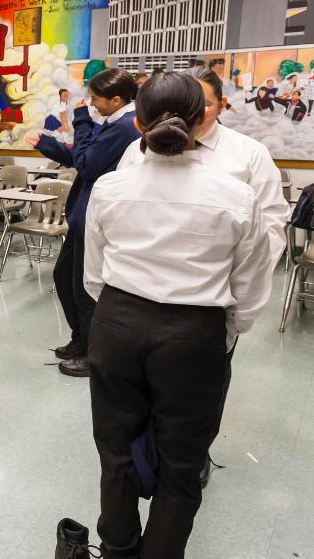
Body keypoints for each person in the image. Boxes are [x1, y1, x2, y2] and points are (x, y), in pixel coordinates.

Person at [81, 71, 272, 558]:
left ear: (138, 120)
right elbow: (249, 286)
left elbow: (94, 273)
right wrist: (224, 334)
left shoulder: (110, 186)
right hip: (194, 332)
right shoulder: (234, 194)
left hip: (118, 323)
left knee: (115, 450)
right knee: (182, 462)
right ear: (200, 118)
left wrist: (119, 314)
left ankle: (118, 547)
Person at [119, 70, 287, 488]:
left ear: (215, 107)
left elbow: (270, 231)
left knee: (197, 402)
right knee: (139, 397)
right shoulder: (137, 151)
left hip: (209, 305)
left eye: (202, 103)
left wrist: (237, 314)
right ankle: (146, 461)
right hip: (139, 301)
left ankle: (191, 456)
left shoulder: (247, 155)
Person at [29, 68, 140, 378]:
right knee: (65, 278)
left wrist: (81, 122)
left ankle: (94, 353)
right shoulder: (113, 122)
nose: (91, 105)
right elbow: (82, 157)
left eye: (96, 100)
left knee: (85, 288)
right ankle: (81, 339)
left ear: (117, 99)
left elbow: (88, 163)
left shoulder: (125, 128)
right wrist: (47, 144)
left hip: (96, 217)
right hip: (83, 216)